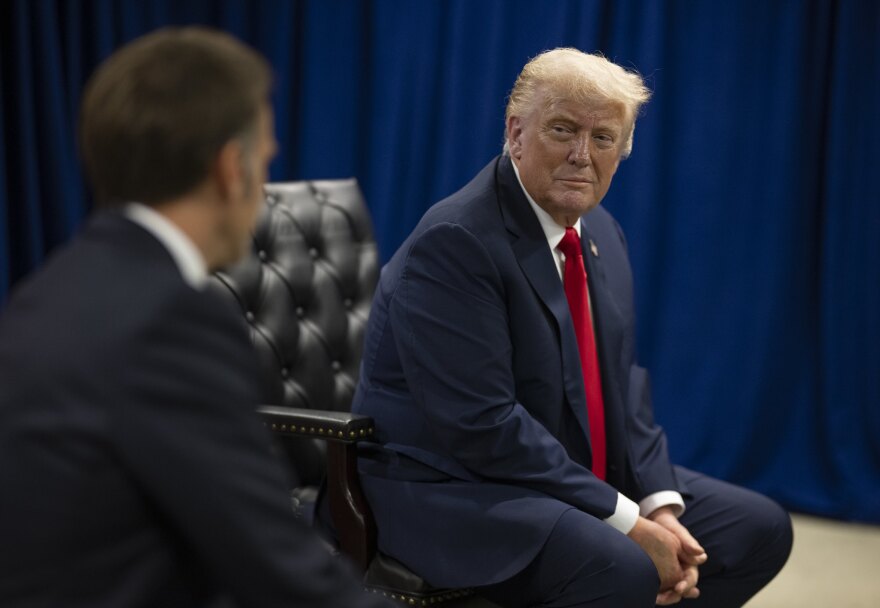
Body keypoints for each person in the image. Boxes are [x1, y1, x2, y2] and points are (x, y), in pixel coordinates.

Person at [350, 48, 792, 607]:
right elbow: (483, 425)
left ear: (622, 152)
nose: (582, 155)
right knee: (623, 565)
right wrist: (624, 519)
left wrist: (657, 505)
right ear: (515, 133)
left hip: (557, 472)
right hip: (451, 488)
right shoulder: (456, 241)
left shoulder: (601, 230)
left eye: (603, 138)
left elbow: (622, 386)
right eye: (562, 129)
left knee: (757, 529)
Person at [0, 27, 390, 608]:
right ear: (232, 169)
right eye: (265, 161)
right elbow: (278, 567)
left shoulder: (47, 290)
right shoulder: (171, 320)